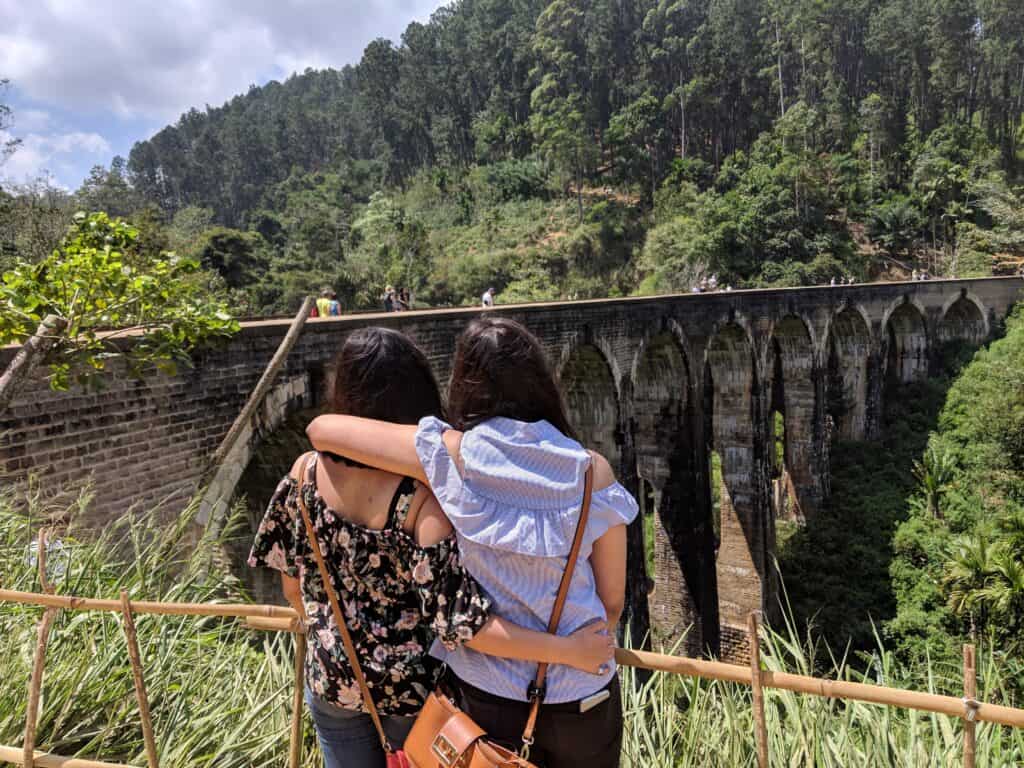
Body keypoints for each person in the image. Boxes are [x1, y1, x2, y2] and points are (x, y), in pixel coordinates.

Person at [250, 328, 612, 768]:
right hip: (414, 693)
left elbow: (293, 587)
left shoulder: (304, 471)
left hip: (333, 679)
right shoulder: (421, 498)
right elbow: (456, 620)